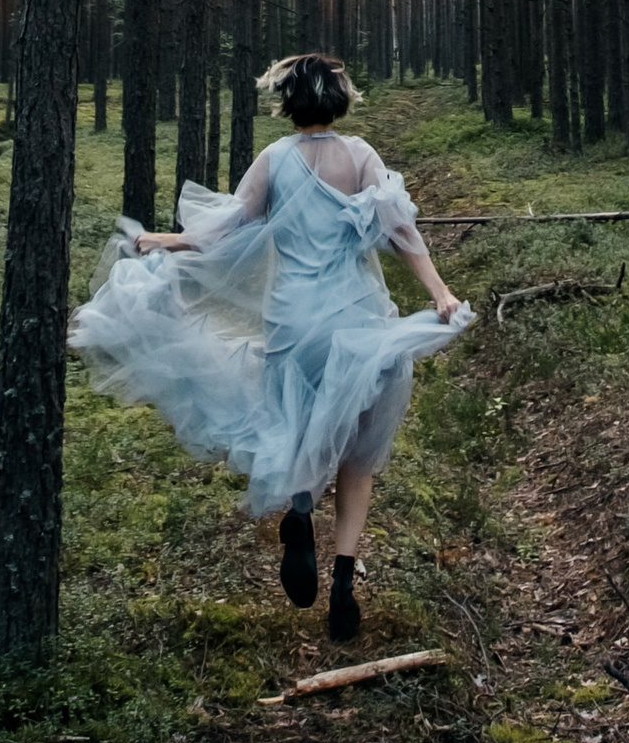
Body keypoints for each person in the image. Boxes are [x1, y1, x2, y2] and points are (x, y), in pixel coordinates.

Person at [70, 53, 472, 645]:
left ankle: (301, 513)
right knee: (359, 454)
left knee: (299, 427)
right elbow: (401, 233)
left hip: (293, 324)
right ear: (340, 100)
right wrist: (439, 292)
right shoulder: (362, 156)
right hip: (356, 320)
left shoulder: (275, 159)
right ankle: (342, 582)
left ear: (289, 103)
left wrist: (169, 241)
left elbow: (227, 226)